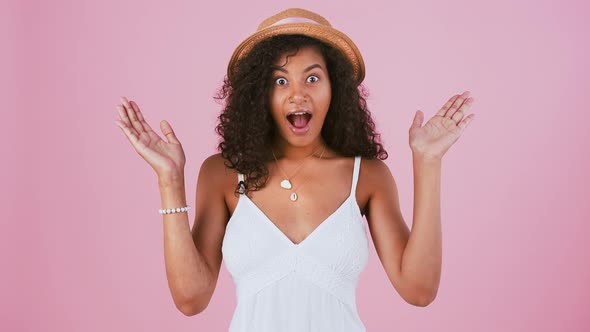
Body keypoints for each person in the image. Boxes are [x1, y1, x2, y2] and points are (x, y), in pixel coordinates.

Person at [114, 7, 475, 332]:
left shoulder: (366, 177)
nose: (297, 94)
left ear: (336, 90)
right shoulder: (223, 174)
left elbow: (419, 290)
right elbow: (191, 300)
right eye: (280, 80)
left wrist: (428, 163)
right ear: (259, 93)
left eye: (313, 78)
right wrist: (169, 179)